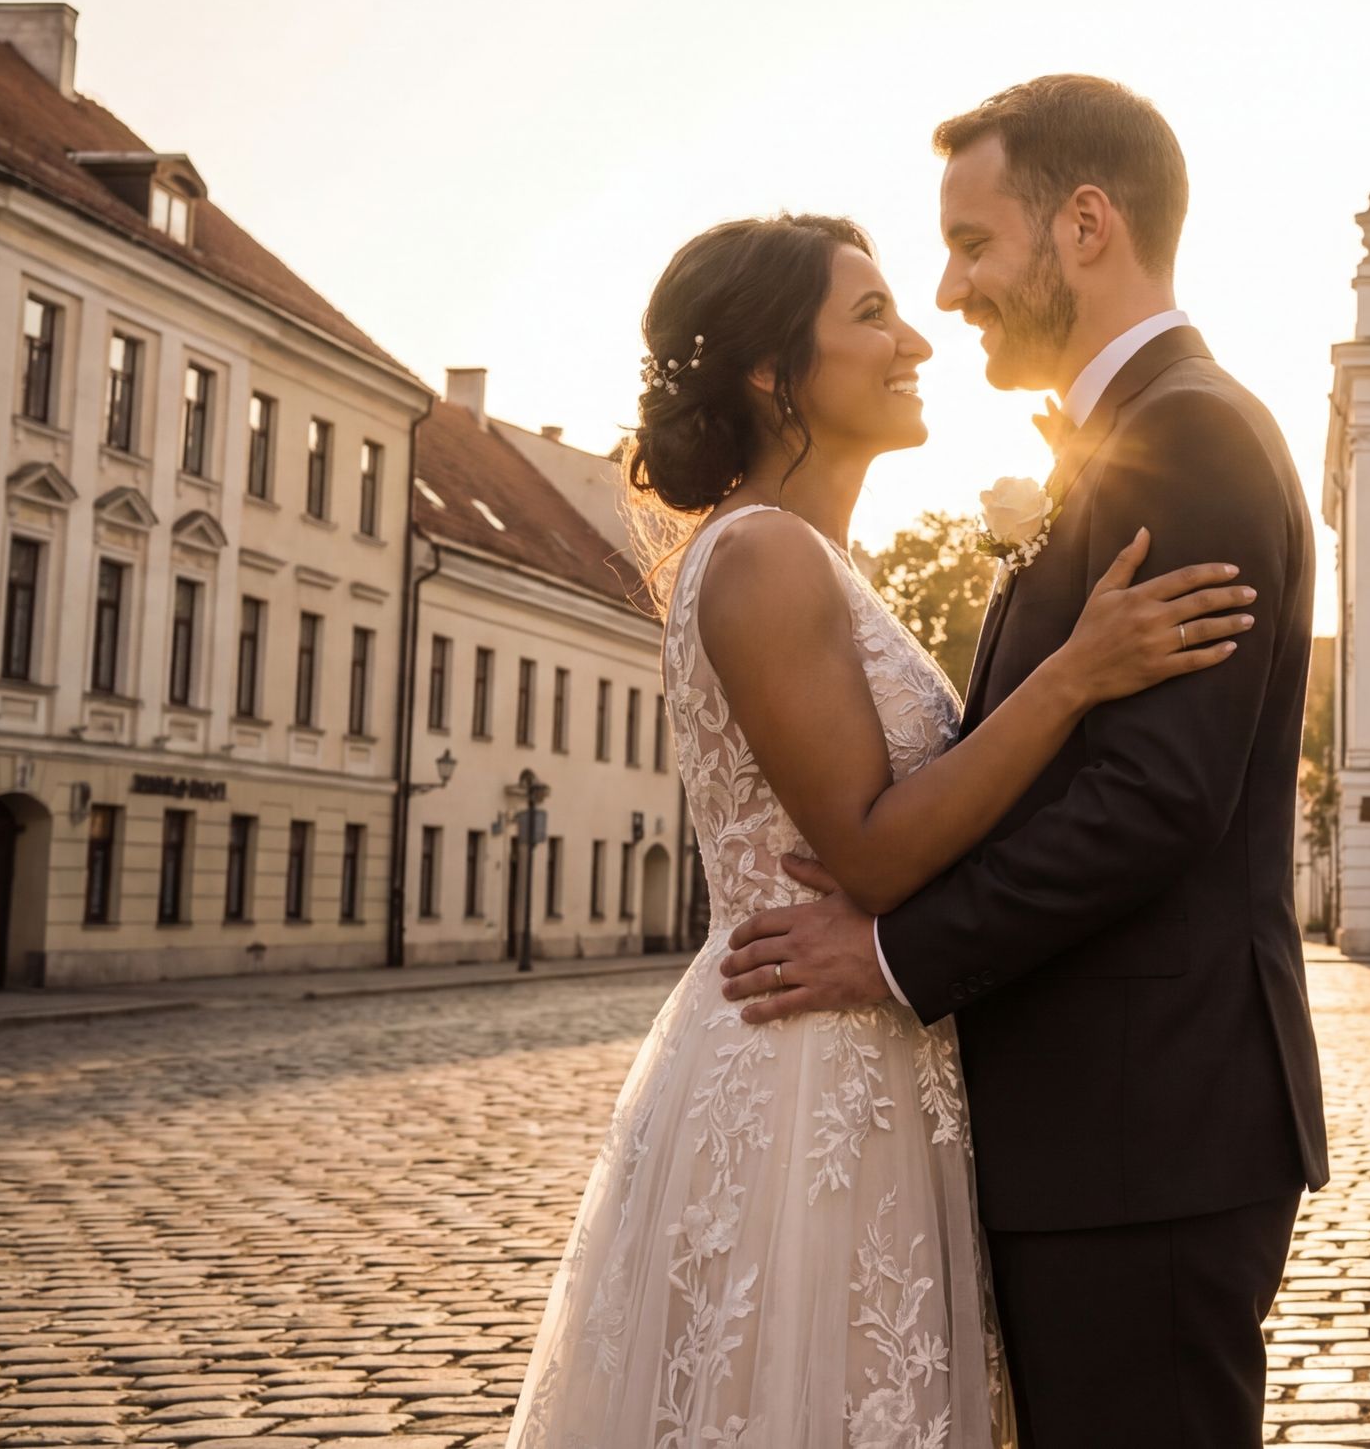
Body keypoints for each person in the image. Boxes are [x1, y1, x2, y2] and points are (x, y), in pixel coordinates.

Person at [505, 210, 1255, 1449]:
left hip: (870, 1056)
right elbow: (872, 850)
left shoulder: (817, 561)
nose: (915, 335)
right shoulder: (760, 558)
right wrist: (1072, 676)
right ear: (768, 369)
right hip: (801, 1071)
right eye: (870, 315)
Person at [718, 75, 1329, 1448]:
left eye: (975, 243)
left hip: (1148, 1124)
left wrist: (889, 954)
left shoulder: (1189, 432)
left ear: (1086, 226)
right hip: (1108, 1125)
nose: (952, 288)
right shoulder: (1142, 432)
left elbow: (1156, 798)